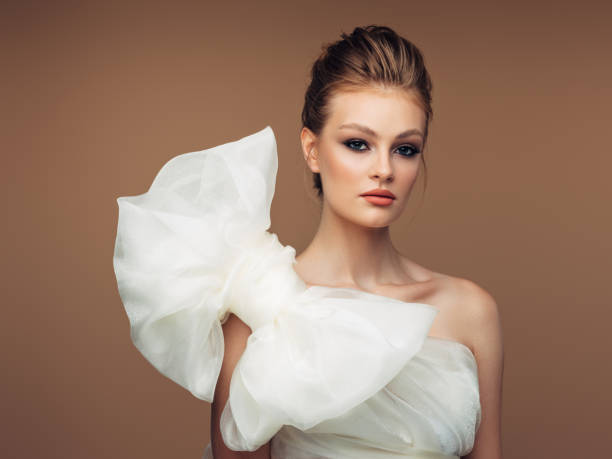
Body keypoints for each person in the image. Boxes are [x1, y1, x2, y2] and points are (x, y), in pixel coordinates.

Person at [113, 25, 503, 459]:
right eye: (358, 144)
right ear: (312, 150)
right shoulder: (260, 309)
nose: (384, 169)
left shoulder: (470, 312)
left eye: (405, 149)